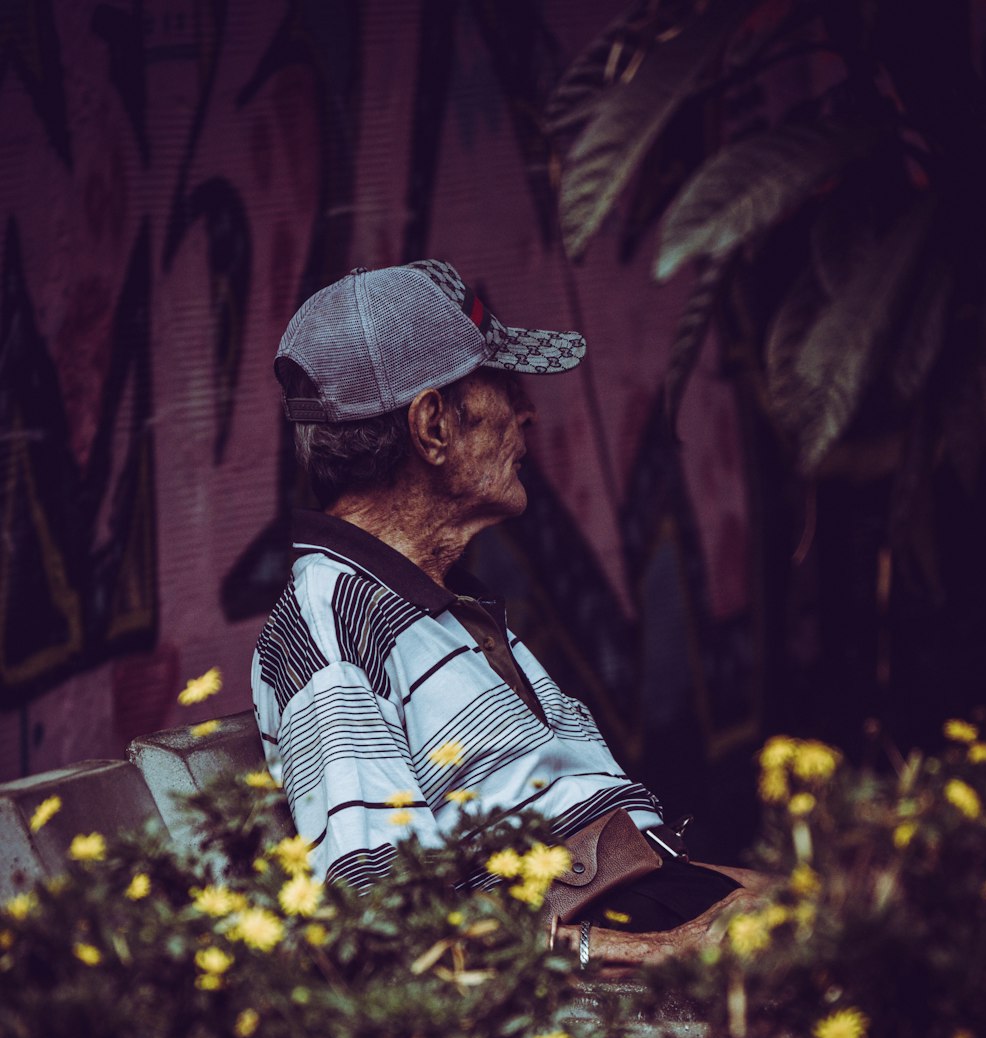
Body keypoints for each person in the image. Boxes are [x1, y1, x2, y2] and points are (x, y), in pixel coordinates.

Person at [251, 260, 763, 965]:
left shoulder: (430, 601)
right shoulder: (335, 621)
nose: (526, 414)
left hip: (638, 897)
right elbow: (383, 920)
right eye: (503, 387)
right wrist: (660, 952)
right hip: (591, 963)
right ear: (432, 426)